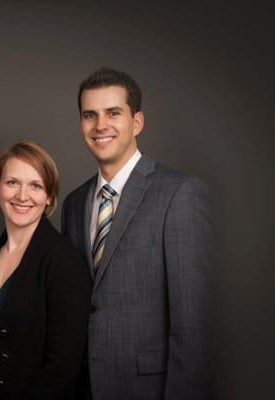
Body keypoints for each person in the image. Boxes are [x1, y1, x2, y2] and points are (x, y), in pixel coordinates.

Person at [62, 67, 213, 399]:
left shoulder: (180, 193)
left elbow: (191, 325)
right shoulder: (73, 204)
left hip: (150, 387)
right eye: (90, 115)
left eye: (113, 113)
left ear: (137, 122)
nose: (100, 125)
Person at [0, 140, 91, 400]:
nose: (22, 196)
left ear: (49, 197)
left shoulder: (64, 261)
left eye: (35, 185)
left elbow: (64, 368)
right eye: (12, 183)